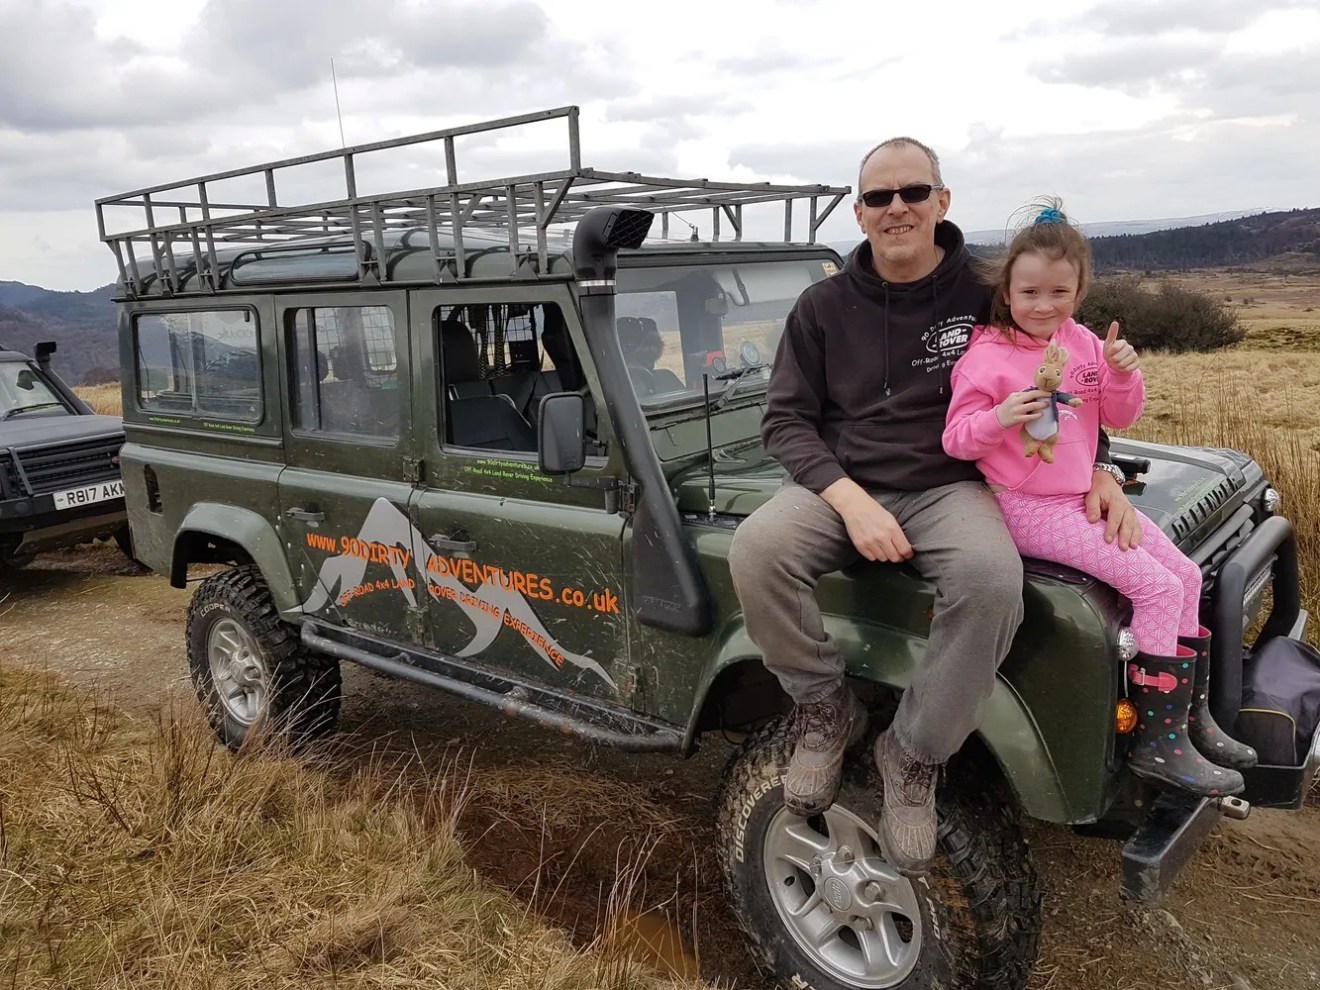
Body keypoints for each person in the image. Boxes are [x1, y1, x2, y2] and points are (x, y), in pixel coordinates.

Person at [727, 137, 1141, 877]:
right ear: (858, 213)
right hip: (842, 484)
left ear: (942, 201)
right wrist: (851, 503)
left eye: (912, 192)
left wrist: (1101, 465)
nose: (897, 209)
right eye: (879, 198)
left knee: (990, 582)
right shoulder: (822, 308)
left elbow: (1069, 372)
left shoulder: (986, 292)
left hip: (953, 483)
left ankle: (913, 755)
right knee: (756, 552)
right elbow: (784, 423)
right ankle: (823, 710)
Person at [942, 200, 1257, 796]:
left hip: (1079, 495)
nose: (1044, 305)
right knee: (1156, 587)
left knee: (1186, 575)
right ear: (1007, 291)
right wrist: (1001, 416)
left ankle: (1189, 717)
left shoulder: (1083, 344)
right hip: (1025, 507)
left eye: (1059, 292)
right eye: (1029, 292)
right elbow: (957, 441)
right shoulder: (987, 358)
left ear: (1079, 290)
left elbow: (1117, 413)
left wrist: (1120, 373)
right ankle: (1156, 744)